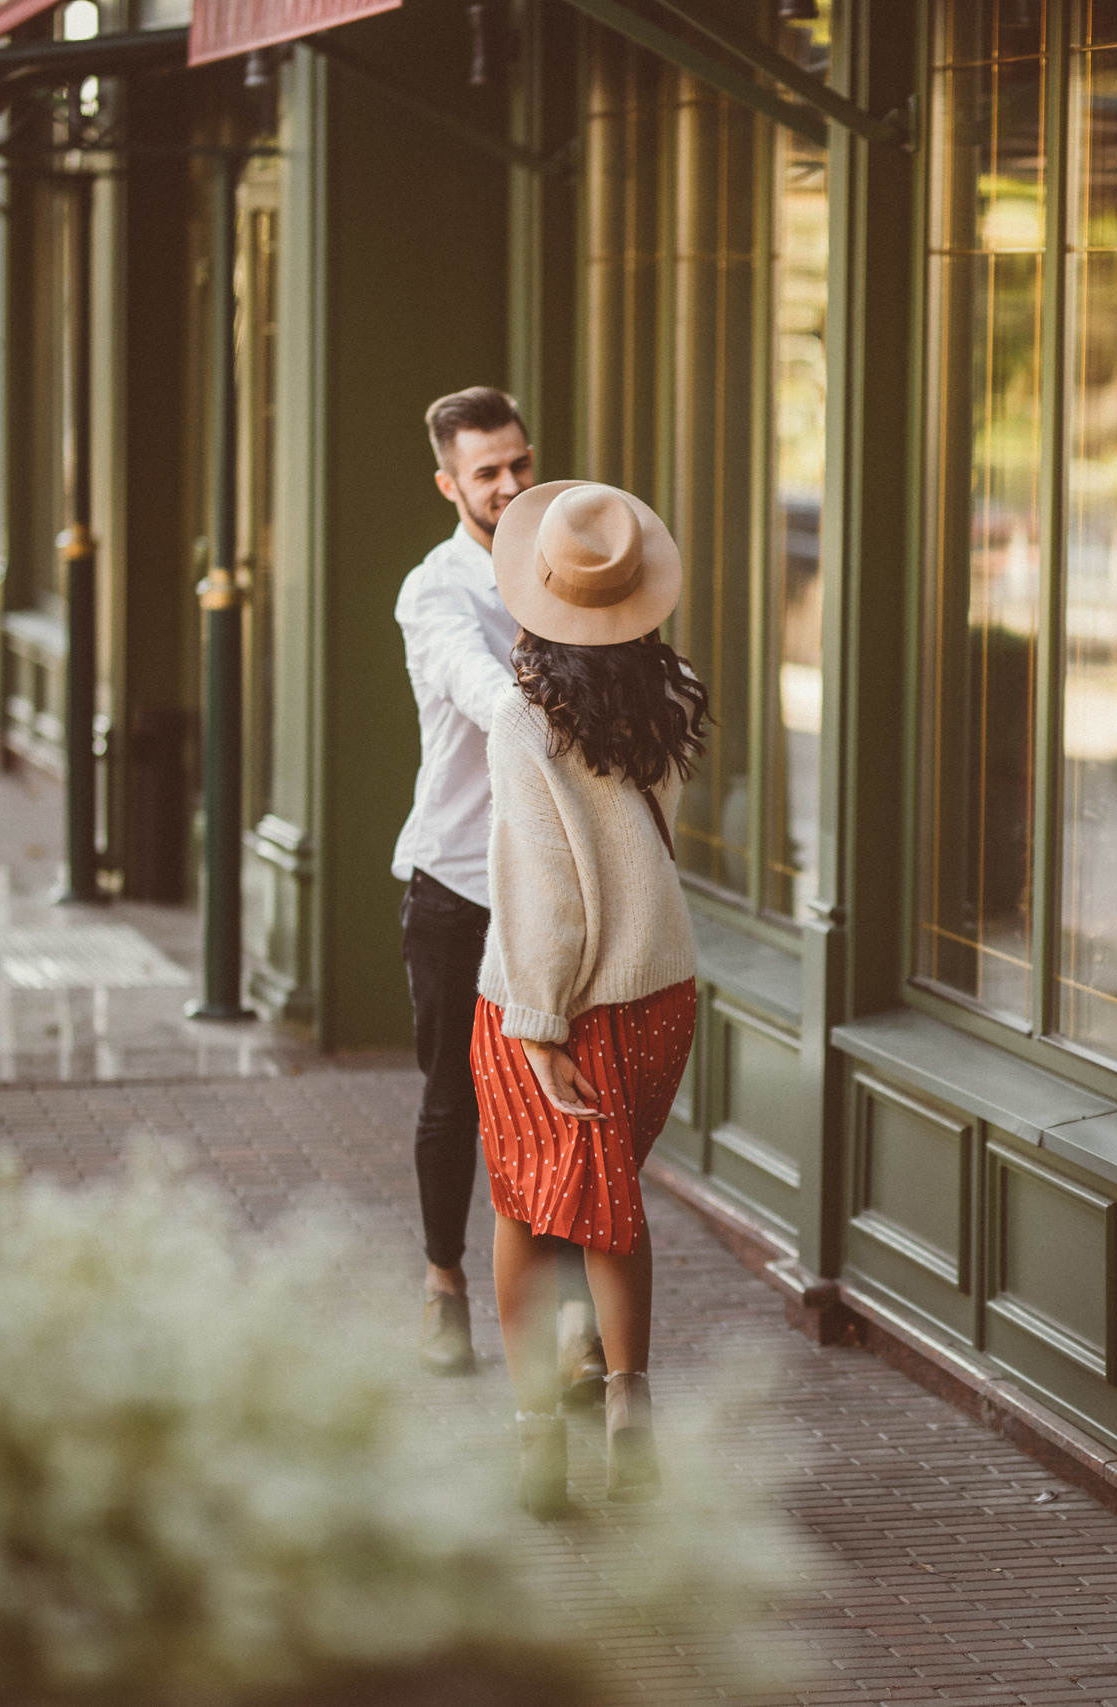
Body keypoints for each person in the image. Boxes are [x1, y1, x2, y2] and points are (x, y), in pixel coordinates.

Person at [475, 479, 708, 1515]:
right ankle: (626, 1409)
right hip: (660, 993)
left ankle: (534, 1445)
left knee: (528, 1211)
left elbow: (548, 901)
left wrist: (537, 1023)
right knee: (610, 1203)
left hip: (553, 1000)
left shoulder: (527, 723)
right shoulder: (674, 693)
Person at [392, 387, 602, 1392]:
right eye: (489, 472)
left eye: (521, 462)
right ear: (450, 485)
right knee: (454, 1101)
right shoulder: (432, 591)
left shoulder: (579, 560)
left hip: (558, 890)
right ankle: (443, 1284)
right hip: (461, 880)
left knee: (559, 1102)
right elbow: (484, 696)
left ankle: (567, 1323)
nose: (513, 484)